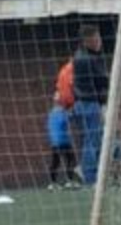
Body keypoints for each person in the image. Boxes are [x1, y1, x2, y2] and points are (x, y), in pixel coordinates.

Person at [69, 21, 109, 188]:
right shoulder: (87, 58)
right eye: (95, 38)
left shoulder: (84, 56)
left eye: (99, 37)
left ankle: (87, 172)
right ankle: (89, 177)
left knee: (93, 140)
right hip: (89, 103)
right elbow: (103, 80)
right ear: (87, 41)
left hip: (85, 102)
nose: (99, 40)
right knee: (92, 141)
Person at [46, 57, 79, 187]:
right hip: (62, 141)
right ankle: (69, 181)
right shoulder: (61, 112)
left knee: (56, 160)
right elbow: (69, 117)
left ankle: (53, 182)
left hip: (55, 141)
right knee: (69, 159)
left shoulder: (52, 113)